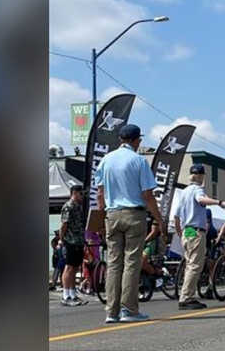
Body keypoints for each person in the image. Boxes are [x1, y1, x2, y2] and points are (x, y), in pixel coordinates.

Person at [94, 124, 164, 323]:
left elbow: (100, 194)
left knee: (114, 263)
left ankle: (111, 311)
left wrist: (101, 217)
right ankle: (129, 309)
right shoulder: (139, 161)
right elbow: (148, 195)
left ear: (120, 139)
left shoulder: (105, 160)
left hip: (112, 213)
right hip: (134, 214)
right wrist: (159, 220)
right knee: (132, 262)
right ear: (136, 140)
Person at [171, 163, 225, 310]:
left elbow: (176, 216)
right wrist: (219, 203)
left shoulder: (184, 192)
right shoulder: (198, 189)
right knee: (195, 265)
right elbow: (201, 200)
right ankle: (186, 297)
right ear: (200, 177)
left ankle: (187, 294)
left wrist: (180, 233)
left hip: (187, 230)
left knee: (189, 264)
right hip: (196, 229)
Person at [58, 184, 89, 306]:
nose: (82, 196)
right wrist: (62, 240)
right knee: (69, 268)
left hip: (78, 241)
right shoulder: (69, 206)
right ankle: (66, 296)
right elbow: (63, 225)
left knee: (75, 267)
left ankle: (72, 294)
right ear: (74, 193)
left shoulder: (78, 207)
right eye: (81, 193)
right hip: (70, 241)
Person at [140, 213, 163, 288]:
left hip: (150, 242)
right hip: (137, 241)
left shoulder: (153, 216)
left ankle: (157, 276)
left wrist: (144, 241)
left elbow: (154, 231)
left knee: (142, 262)